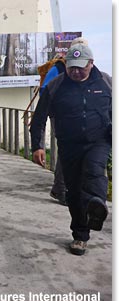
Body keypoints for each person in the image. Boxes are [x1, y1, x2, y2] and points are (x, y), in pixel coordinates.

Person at [30, 43, 112, 256]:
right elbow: (38, 118)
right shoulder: (56, 86)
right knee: (73, 192)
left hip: (99, 140)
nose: (75, 71)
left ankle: (96, 206)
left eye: (80, 67)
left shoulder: (106, 82)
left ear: (91, 64)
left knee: (94, 169)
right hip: (69, 145)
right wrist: (37, 146)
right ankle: (80, 236)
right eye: (71, 67)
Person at [39, 37, 88, 206]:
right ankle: (60, 188)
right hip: (61, 116)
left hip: (79, 117)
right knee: (66, 151)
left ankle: (66, 187)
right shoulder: (58, 68)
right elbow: (44, 91)